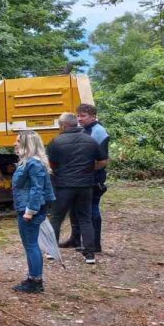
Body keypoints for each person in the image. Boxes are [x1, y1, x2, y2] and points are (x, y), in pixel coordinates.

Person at [46, 112, 107, 264]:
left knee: (56, 218)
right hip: (85, 185)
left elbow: (51, 164)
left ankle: (52, 252)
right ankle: (90, 254)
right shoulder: (90, 141)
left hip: (64, 186)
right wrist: (88, 169)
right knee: (85, 218)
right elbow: (103, 161)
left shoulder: (56, 142)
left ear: (63, 125)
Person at [11, 131, 56, 293]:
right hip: (27, 206)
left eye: (18, 141)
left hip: (29, 208)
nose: (15, 144)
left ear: (27, 144)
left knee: (31, 245)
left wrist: (30, 211)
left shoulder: (33, 163)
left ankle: (35, 281)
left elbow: (37, 189)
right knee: (30, 244)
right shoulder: (29, 162)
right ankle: (33, 277)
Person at [61, 103, 109, 252]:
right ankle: (75, 240)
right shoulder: (84, 130)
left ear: (93, 116)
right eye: (78, 116)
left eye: (83, 116)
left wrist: (82, 168)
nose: (80, 119)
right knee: (75, 209)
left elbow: (102, 161)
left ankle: (94, 244)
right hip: (79, 178)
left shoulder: (99, 132)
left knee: (91, 209)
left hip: (93, 178)